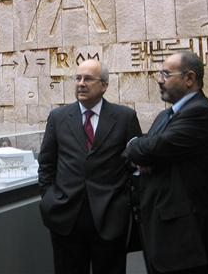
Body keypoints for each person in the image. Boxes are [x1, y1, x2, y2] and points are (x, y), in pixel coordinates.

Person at [38, 59, 142, 274]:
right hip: (66, 217)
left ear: (104, 85)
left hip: (110, 218)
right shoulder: (58, 117)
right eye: (78, 78)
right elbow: (47, 163)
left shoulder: (124, 117)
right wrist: (49, 198)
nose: (81, 83)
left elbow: (135, 165)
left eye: (88, 79)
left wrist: (125, 204)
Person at [124, 51, 208, 274]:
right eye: (160, 74)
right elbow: (142, 153)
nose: (160, 80)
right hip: (158, 234)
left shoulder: (200, 113)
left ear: (189, 78)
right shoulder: (165, 116)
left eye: (166, 74)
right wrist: (143, 152)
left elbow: (149, 149)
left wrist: (135, 146)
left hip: (185, 241)